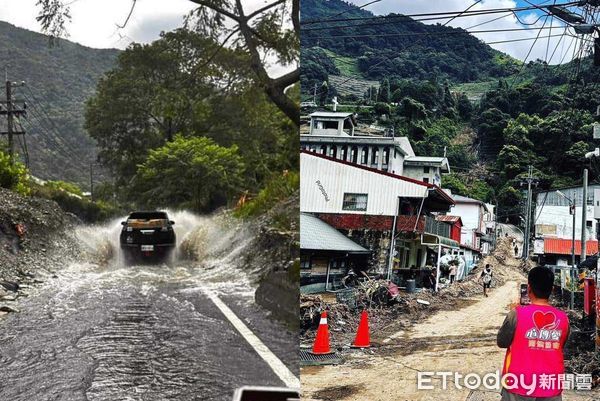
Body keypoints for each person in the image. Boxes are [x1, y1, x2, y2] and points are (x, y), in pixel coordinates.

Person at [497, 266, 569, 401]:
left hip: (518, 385)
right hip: (550, 385)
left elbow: (501, 342)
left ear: (529, 288)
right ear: (552, 290)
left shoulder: (516, 314)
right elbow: (561, 344)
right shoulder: (563, 319)